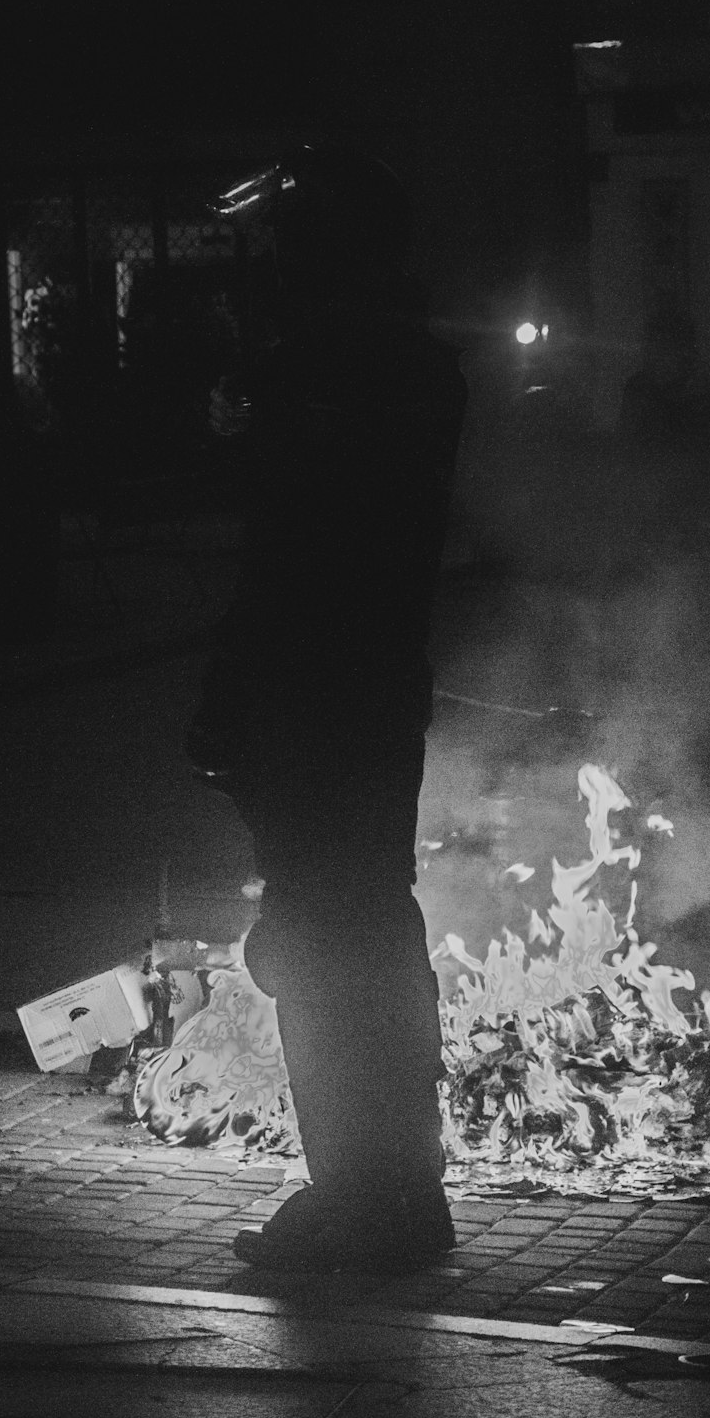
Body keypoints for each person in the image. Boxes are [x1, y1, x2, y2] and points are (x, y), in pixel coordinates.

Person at [187, 145, 468, 1273]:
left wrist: (264, 388)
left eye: (297, 243)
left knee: (327, 934)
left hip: (322, 688)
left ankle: (367, 1195)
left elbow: (291, 536)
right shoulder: (398, 363)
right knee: (354, 927)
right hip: (355, 686)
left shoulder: (351, 368)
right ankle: (384, 1189)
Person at [617, 312, 710, 559]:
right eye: (653, 347)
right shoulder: (639, 390)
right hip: (650, 509)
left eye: (665, 348)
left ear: (685, 352)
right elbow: (627, 447)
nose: (656, 355)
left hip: (694, 514)